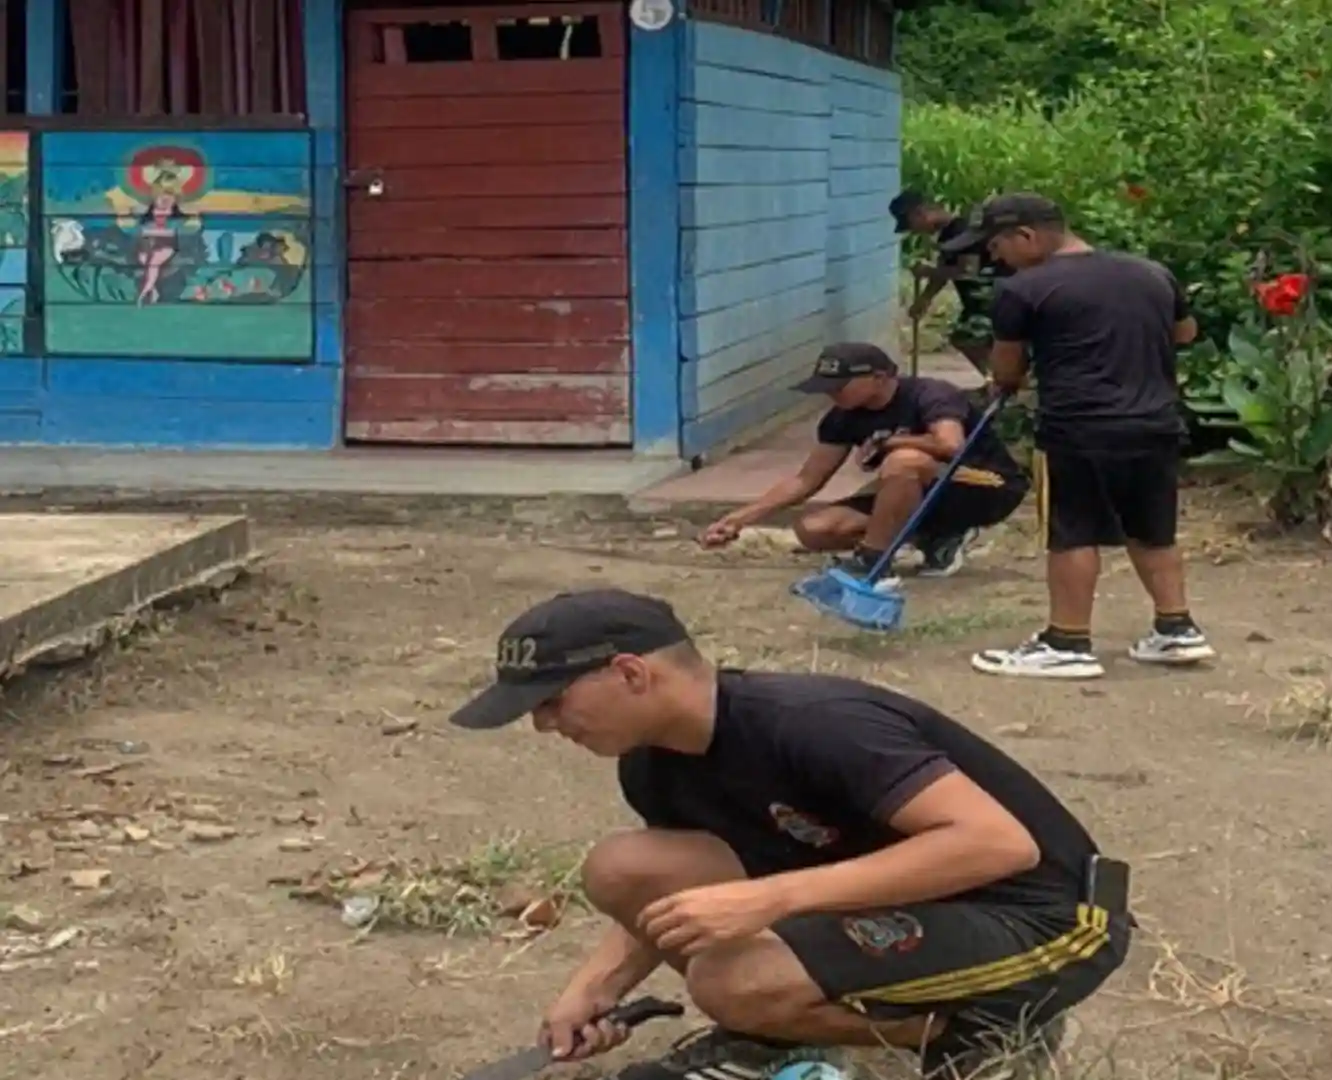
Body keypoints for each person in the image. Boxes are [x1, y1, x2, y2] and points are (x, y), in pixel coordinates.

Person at [448, 588, 1132, 1080]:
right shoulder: (653, 764)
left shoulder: (813, 721)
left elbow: (998, 845)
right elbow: (672, 901)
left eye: (551, 702)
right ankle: (778, 1036)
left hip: (1045, 919)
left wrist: (771, 900)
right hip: (895, 908)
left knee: (733, 980)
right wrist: (594, 988)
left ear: (630, 673)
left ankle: (986, 1029)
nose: (543, 726)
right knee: (627, 866)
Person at [937, 193, 1215, 680]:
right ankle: (1177, 629)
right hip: (1154, 423)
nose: (993, 256)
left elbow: (1007, 368)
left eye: (997, 244)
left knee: (1072, 532)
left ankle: (1067, 640)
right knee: (1152, 528)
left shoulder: (1024, 289)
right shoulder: (1151, 273)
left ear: (1027, 236)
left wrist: (1008, 383)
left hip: (1077, 428)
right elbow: (1186, 333)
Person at [700, 342, 1027, 579]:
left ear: (880, 377)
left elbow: (950, 445)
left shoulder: (931, 394)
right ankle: (934, 538)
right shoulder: (842, 418)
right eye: (827, 386)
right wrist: (740, 518)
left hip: (984, 487)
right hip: (913, 492)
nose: (832, 394)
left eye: (841, 385)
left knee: (903, 461)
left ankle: (873, 559)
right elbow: (806, 481)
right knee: (814, 529)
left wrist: (893, 440)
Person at [891, 190, 1013, 376]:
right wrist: (925, 299)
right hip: (975, 301)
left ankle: (1001, 381)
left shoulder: (962, 231)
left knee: (971, 338)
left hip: (990, 296)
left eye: (911, 224)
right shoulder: (948, 235)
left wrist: (928, 271)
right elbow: (943, 271)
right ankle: (998, 381)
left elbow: (967, 271)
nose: (915, 231)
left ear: (920, 213)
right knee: (968, 338)